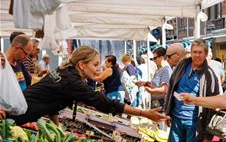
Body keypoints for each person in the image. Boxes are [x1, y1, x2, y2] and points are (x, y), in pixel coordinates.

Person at [4, 46, 168, 125]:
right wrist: (144, 113)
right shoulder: (72, 81)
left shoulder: (65, 71)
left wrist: (56, 126)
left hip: (16, 112)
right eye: (95, 64)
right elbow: (105, 102)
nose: (98, 68)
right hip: (11, 116)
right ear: (82, 65)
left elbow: (51, 98)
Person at [164, 38, 221, 142]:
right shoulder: (183, 65)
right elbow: (172, 87)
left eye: (200, 52)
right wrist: (167, 112)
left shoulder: (209, 75)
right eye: (194, 52)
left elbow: (213, 107)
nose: (197, 55)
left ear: (205, 54)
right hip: (177, 118)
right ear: (190, 52)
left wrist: (208, 136)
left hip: (195, 123)